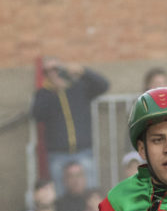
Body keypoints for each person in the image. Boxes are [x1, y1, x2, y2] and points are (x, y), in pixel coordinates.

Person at [31, 59, 110, 191]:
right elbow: (36, 114)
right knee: (60, 194)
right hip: (57, 154)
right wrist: (50, 91)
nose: (52, 73)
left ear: (62, 70)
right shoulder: (44, 94)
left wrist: (84, 72)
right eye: (47, 71)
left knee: (90, 192)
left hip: (83, 151)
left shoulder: (78, 88)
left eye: (55, 69)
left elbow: (104, 85)